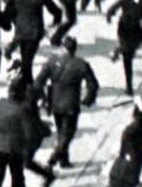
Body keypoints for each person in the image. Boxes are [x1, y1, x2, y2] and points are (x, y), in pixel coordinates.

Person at [37, 37, 98, 168]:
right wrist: (88, 99)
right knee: (68, 132)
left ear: (63, 48)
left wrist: (43, 98)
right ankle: (54, 158)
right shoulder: (81, 64)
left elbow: (38, 81)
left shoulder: (52, 61)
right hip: (71, 103)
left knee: (61, 131)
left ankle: (64, 160)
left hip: (54, 101)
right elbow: (93, 84)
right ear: (74, 49)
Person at [4, 0, 62, 82]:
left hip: (20, 30)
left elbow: (7, 12)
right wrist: (53, 24)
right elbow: (57, 12)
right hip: (35, 32)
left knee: (26, 59)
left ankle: (24, 82)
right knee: (28, 60)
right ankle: (28, 85)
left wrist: (12, 22)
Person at [105, 0, 142, 95]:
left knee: (128, 49)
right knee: (128, 58)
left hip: (138, 34)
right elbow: (112, 9)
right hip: (124, 31)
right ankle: (129, 86)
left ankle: (118, 50)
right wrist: (109, 16)